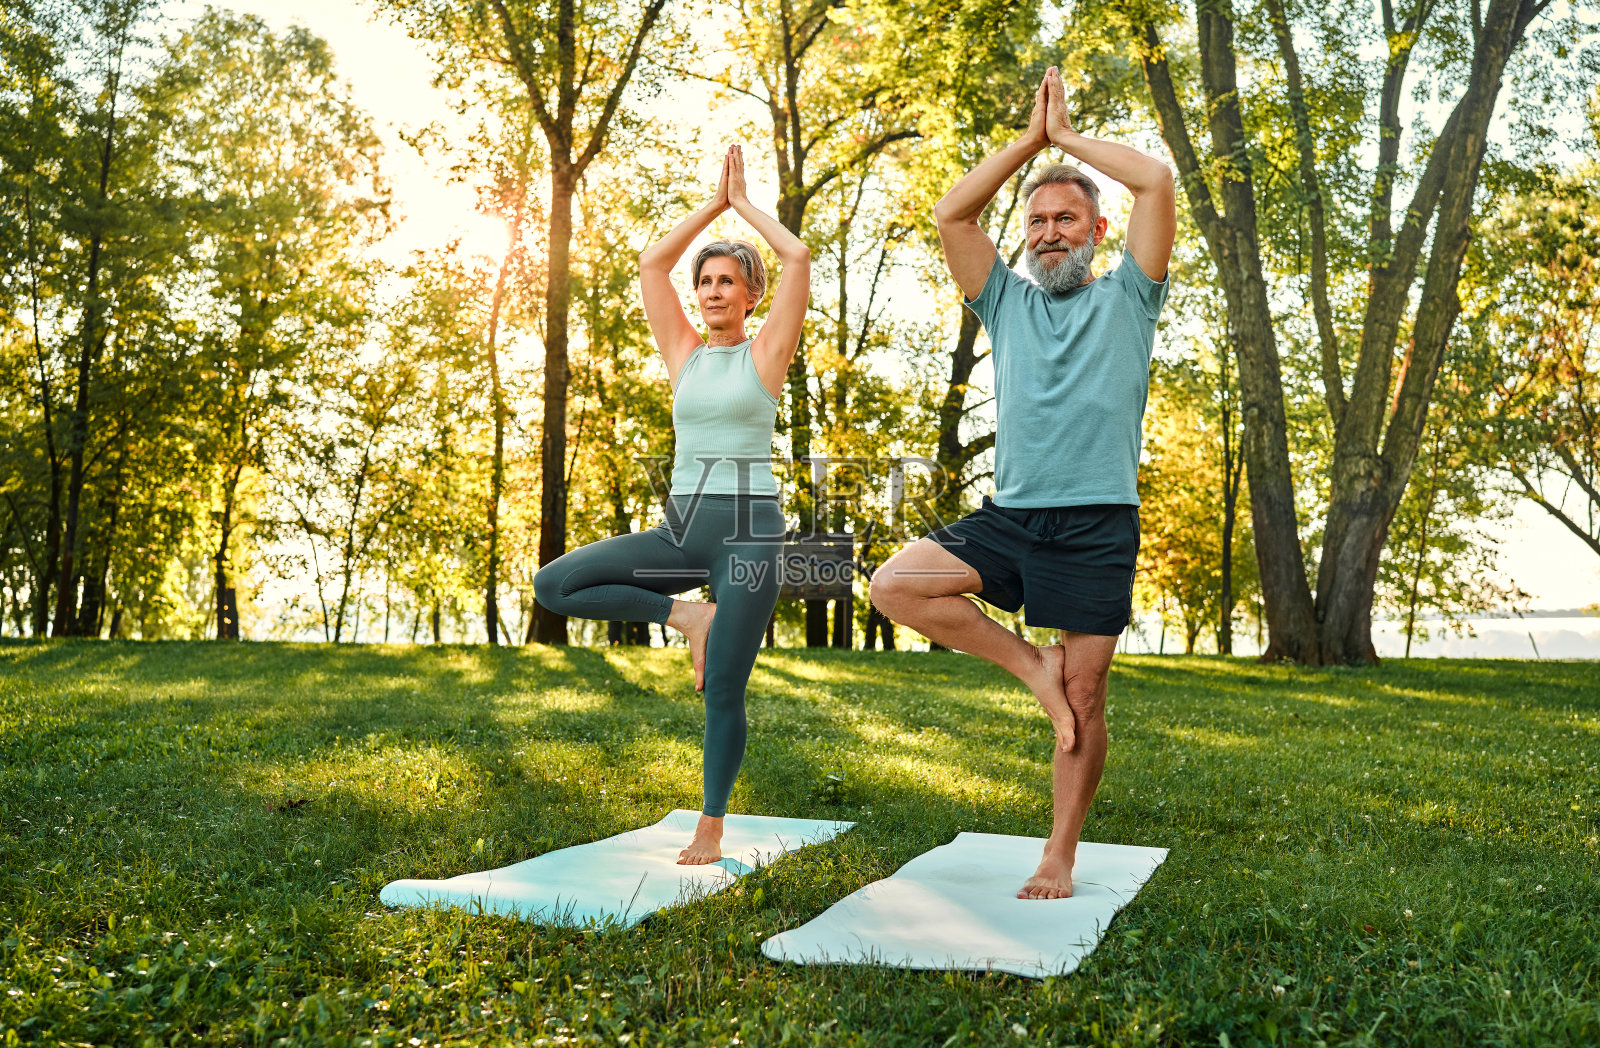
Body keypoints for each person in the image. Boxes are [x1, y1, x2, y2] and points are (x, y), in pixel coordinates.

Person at [869, 67, 1175, 899]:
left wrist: (1065, 138)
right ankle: (1031, 667)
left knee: (1088, 694)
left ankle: (1059, 853)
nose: (1047, 233)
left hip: (1096, 523)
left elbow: (1156, 180)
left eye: (1064, 218)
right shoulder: (1004, 301)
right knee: (894, 586)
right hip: (1011, 517)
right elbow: (952, 214)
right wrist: (1027, 143)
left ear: (1097, 230)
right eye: (1036, 221)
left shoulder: (1132, 295)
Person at [533, 145, 810, 865]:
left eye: (727, 281)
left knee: (723, 687)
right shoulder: (684, 353)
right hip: (682, 531)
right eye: (706, 281)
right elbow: (652, 264)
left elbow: (799, 257)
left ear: (751, 295)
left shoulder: (765, 354)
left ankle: (711, 824)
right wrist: (712, 206)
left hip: (750, 535)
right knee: (554, 585)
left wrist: (744, 206)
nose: (713, 291)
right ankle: (687, 616)